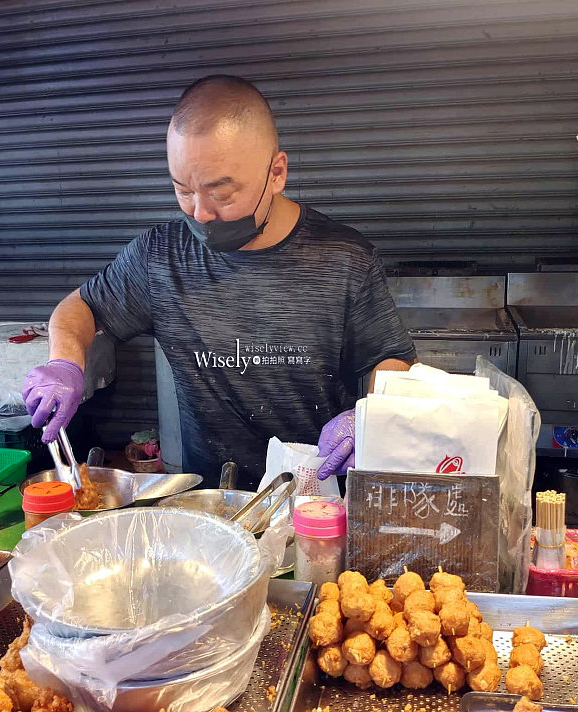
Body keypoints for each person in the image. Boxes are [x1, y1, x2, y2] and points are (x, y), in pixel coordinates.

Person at [22, 75, 416, 490]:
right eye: (183, 190)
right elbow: (81, 307)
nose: (200, 212)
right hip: (210, 496)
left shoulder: (344, 258)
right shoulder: (160, 256)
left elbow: (390, 358)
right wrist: (63, 361)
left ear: (277, 172)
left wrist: (369, 418)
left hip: (316, 491)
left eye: (221, 194)